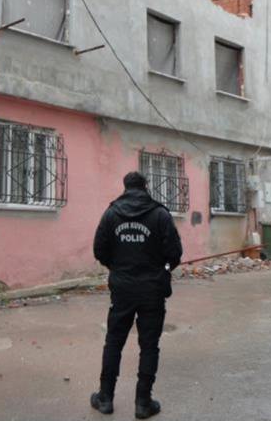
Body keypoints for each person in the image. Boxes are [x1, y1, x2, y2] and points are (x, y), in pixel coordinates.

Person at [91, 172, 183, 420]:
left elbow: (99, 250)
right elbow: (174, 253)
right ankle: (143, 402)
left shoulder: (111, 214)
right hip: (152, 289)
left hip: (122, 289)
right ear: (145, 186)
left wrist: (117, 268)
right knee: (149, 345)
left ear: (126, 187)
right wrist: (162, 268)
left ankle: (105, 398)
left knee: (114, 341)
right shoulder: (160, 214)